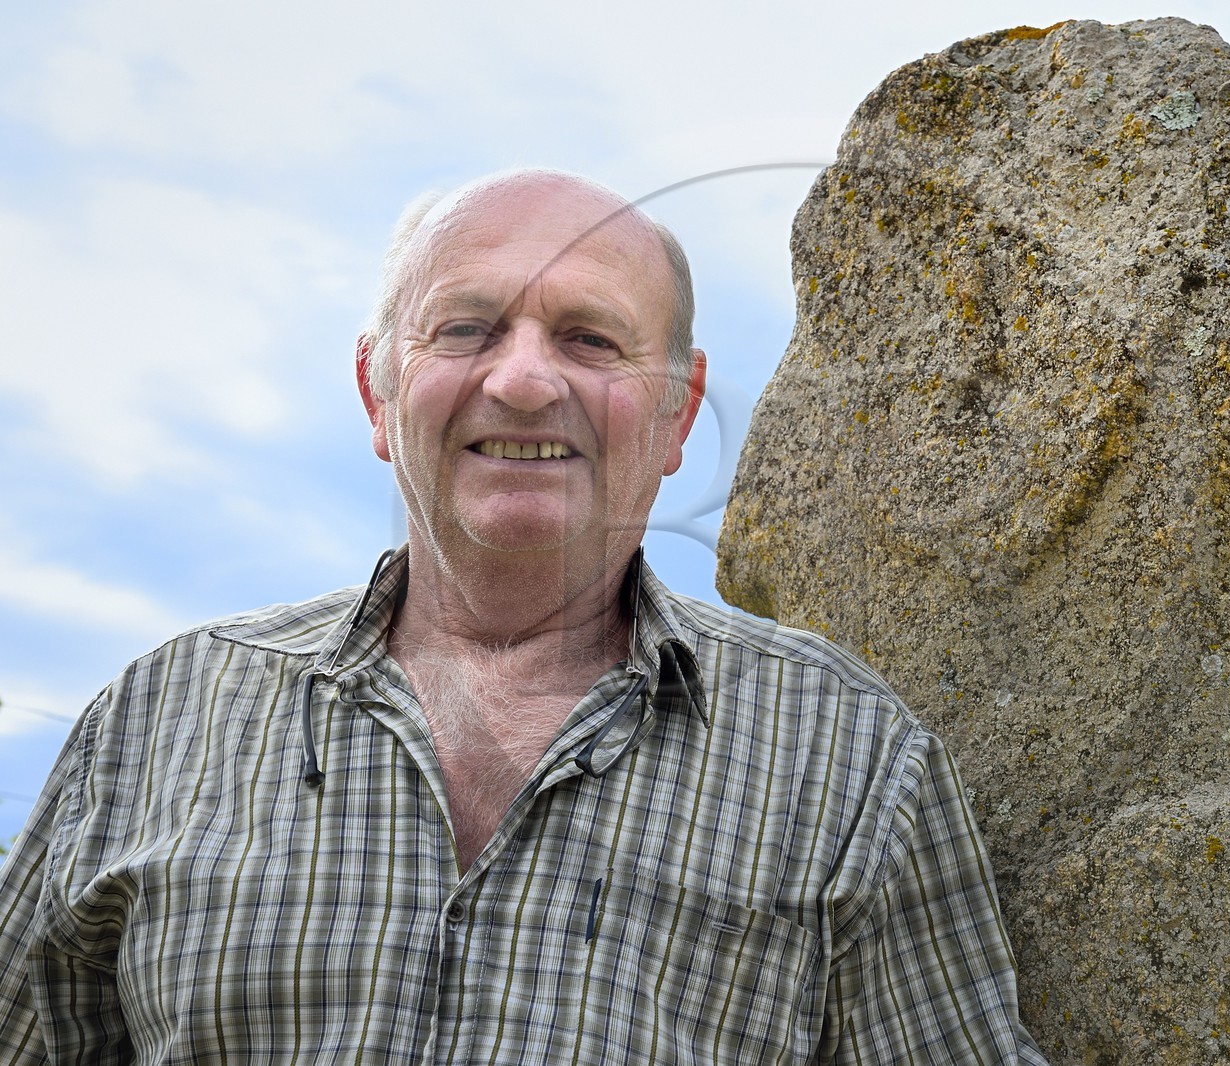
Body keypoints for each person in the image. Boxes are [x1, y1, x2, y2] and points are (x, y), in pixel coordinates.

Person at [0, 169, 1046, 1064]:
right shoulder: (153, 719)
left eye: (590, 339)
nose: (524, 379)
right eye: (467, 328)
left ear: (680, 412)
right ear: (377, 392)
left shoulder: (849, 759)